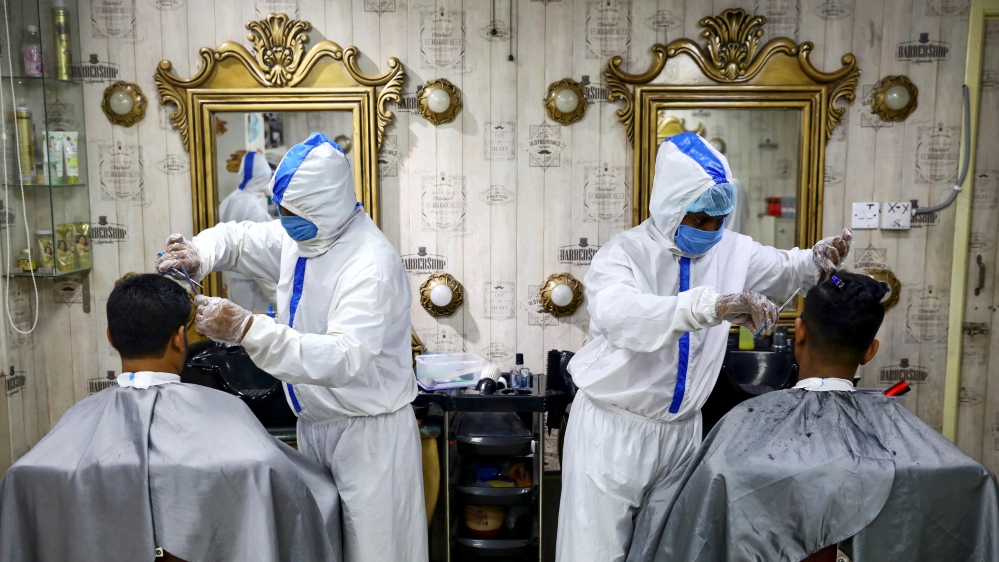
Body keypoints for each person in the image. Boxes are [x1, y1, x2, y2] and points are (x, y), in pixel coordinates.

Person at [556, 132, 854, 562]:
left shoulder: (732, 249)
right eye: (699, 219)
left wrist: (814, 260)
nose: (712, 231)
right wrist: (711, 306)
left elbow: (786, 270)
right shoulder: (624, 255)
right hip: (613, 431)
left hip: (682, 434)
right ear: (671, 206)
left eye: (720, 219)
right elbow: (620, 316)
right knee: (596, 552)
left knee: (670, 550)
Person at [155, 132, 427, 562]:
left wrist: (248, 329)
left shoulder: (370, 265)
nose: (282, 219)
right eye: (279, 209)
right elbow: (241, 239)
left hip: (369, 439)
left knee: (376, 553)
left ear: (323, 205)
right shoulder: (304, 235)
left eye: (290, 212)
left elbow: (342, 357)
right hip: (315, 425)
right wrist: (198, 252)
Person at [627, 272, 999, 562]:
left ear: (799, 333)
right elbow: (971, 485)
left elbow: (690, 516)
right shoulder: (901, 431)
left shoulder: (747, 424)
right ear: (870, 351)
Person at [0, 273, 342, 562]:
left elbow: (22, 487)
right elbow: (298, 491)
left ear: (110, 337)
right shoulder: (226, 410)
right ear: (181, 338)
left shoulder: (74, 424)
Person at [219, 150, 277, 312]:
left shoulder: (228, 202)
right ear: (264, 177)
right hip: (254, 288)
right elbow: (260, 257)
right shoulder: (254, 209)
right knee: (253, 334)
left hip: (233, 284)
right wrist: (277, 296)